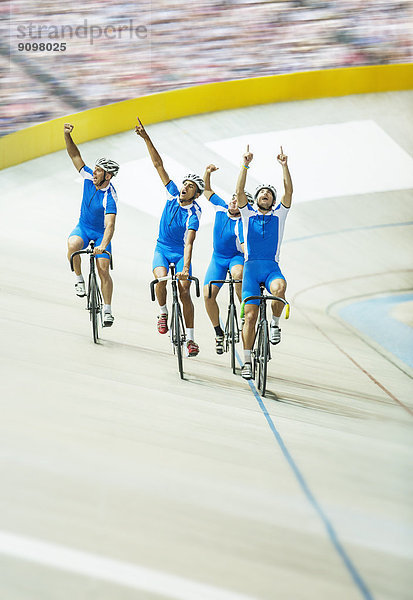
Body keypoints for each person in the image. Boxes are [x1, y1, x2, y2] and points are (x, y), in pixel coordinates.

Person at [134, 117, 203, 357]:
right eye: (184, 184)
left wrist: (186, 268)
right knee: (161, 280)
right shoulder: (172, 194)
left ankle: (191, 340)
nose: (184, 187)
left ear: (195, 194)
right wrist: (146, 138)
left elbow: (189, 242)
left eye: (190, 186)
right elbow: (158, 165)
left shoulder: (194, 212)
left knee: (184, 292)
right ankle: (163, 312)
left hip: (180, 252)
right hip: (162, 249)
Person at [236, 144, 293, 380]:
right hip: (251, 270)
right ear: (257, 199)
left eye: (269, 193)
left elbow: (289, 192)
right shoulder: (247, 214)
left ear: (272, 200)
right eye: (261, 193)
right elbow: (239, 191)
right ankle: (247, 361)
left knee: (280, 288)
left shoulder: (280, 214)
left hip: (271, 268)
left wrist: (284, 166)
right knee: (250, 317)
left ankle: (276, 324)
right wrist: (245, 165)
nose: (265, 195)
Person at [64, 123, 119, 327]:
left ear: (108, 176)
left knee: (103, 269)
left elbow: (110, 226)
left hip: (101, 234)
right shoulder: (88, 176)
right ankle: (79, 279)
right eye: (94, 169)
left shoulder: (110, 196)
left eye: (98, 171)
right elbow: (74, 156)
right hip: (84, 227)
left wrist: (103, 245)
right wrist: (67, 135)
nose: (94, 172)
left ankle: (107, 310)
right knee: (72, 245)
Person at [202, 163, 253, 354]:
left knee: (239, 273)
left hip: (235, 259)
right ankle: (218, 332)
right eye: (232, 198)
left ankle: (244, 311)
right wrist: (207, 173)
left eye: (237, 200)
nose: (233, 201)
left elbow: (246, 245)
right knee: (207, 294)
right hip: (218, 259)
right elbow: (207, 190)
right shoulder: (221, 208)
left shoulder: (244, 222)